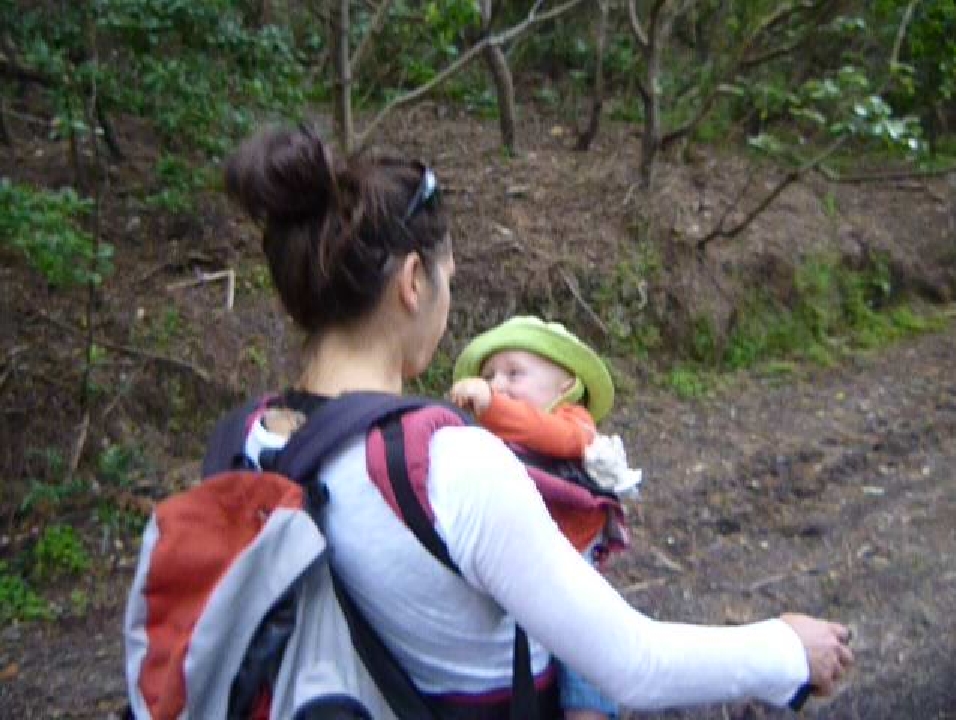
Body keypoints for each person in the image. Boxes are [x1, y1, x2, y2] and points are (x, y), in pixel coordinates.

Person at [223, 123, 854, 718]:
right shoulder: (444, 467)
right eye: (447, 277)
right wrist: (788, 650)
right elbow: (633, 663)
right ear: (413, 282)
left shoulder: (247, 443)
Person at [450, 316, 641, 720]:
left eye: (514, 373)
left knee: (584, 643)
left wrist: (491, 405)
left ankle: (588, 712)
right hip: (515, 557)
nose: (498, 384)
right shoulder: (491, 434)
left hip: (569, 556)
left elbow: (547, 434)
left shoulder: (574, 423)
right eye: (490, 375)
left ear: (565, 387)